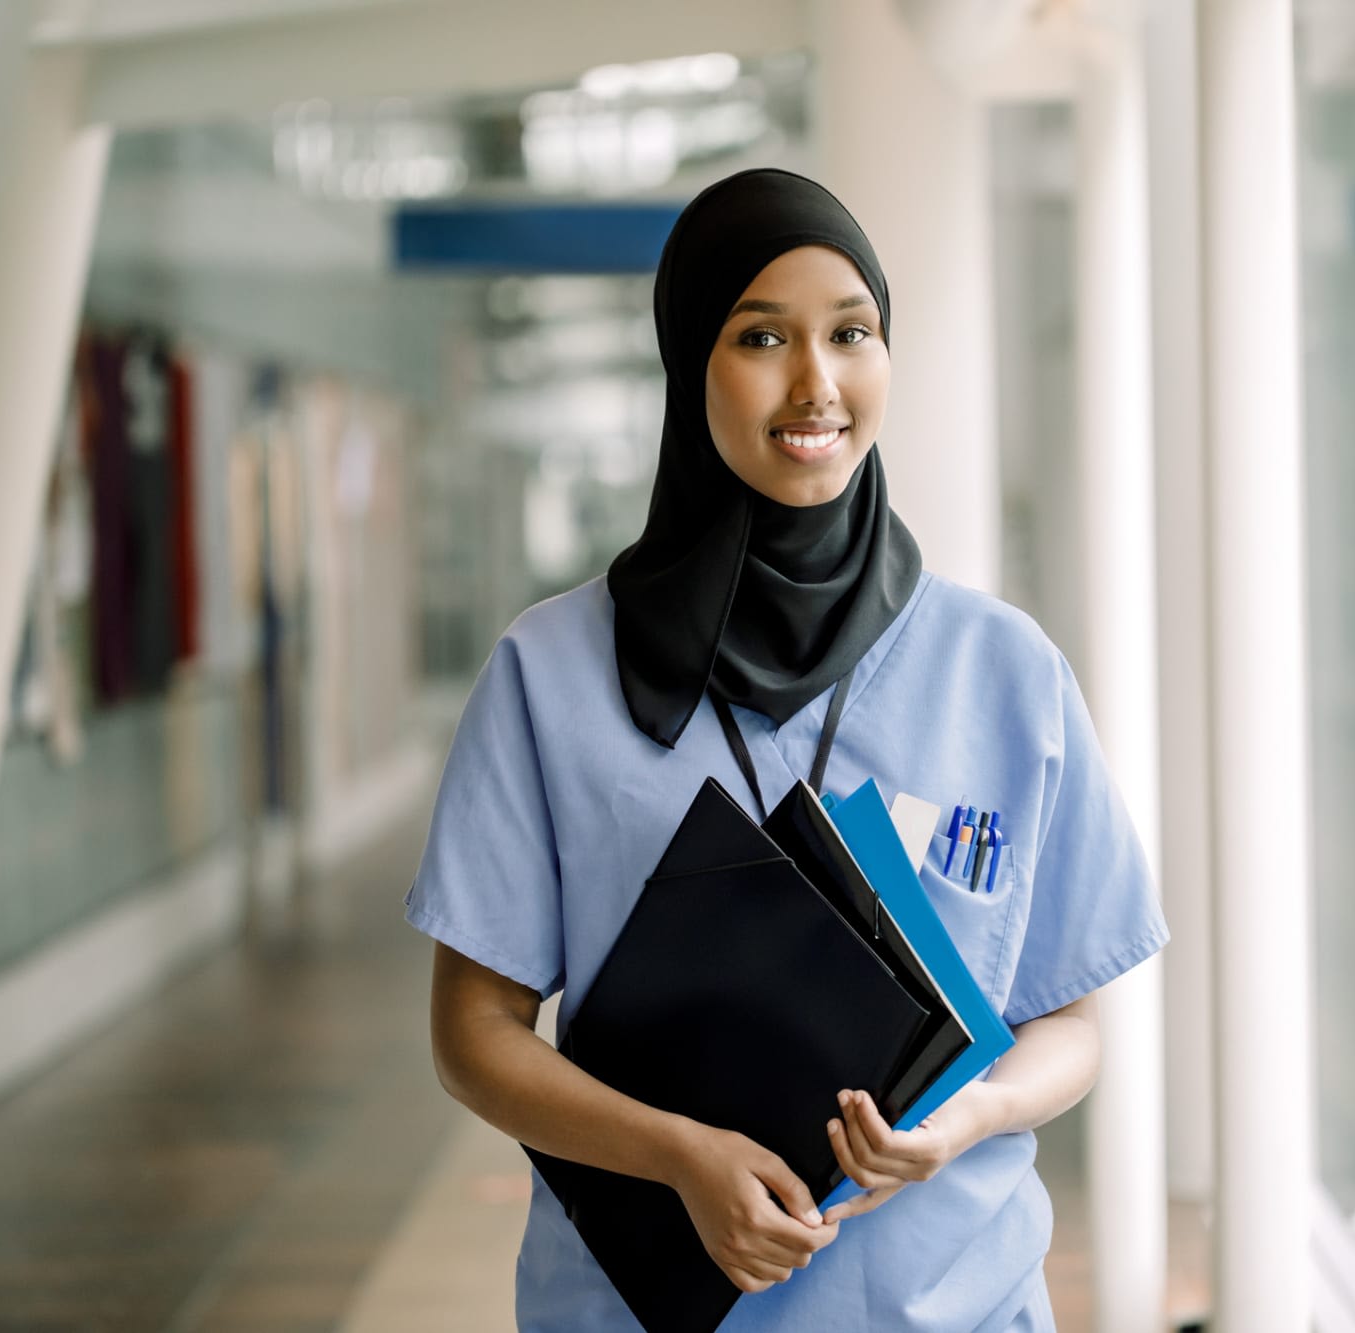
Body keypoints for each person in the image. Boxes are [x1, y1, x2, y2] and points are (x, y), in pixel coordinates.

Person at [406, 168, 1167, 1332]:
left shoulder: (1004, 672)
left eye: (850, 333)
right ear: (687, 362)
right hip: (635, 1304)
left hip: (950, 1303)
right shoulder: (548, 672)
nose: (816, 382)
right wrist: (675, 1156)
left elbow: (1069, 1023)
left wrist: (959, 1118)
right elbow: (472, 1033)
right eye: (760, 335)